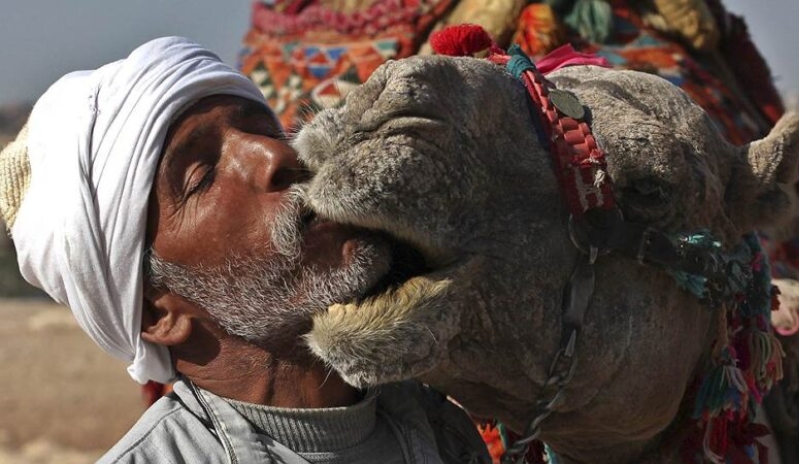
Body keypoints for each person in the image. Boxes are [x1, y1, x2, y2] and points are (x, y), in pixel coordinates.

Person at [0, 37, 490, 464]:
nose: (279, 156)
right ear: (158, 312)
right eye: (201, 175)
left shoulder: (446, 429)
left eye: (267, 131)